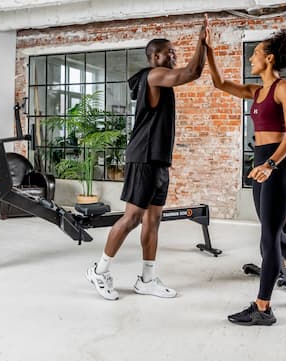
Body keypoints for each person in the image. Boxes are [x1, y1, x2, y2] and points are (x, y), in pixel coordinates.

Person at [205, 23, 286, 325]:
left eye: (256, 53)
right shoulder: (257, 91)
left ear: (270, 58)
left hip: (278, 164)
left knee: (268, 238)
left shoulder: (284, 88)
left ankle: (263, 307)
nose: (251, 59)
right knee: (273, 232)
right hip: (261, 161)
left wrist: (271, 163)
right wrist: (208, 51)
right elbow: (221, 83)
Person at [86, 18, 208, 301]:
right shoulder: (153, 76)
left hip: (158, 161)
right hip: (143, 158)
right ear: (155, 57)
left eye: (175, 52)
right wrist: (202, 42)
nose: (173, 56)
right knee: (131, 218)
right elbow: (192, 72)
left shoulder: (159, 81)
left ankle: (147, 279)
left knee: (153, 220)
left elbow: (189, 71)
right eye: (169, 53)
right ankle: (99, 270)